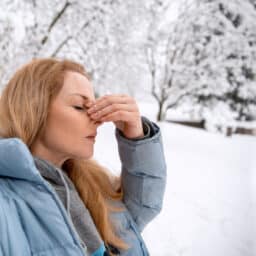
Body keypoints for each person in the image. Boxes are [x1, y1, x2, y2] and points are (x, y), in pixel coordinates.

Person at [0, 58, 167, 256]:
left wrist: (136, 136)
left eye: (95, 106)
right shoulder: (5, 203)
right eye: (80, 106)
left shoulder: (87, 179)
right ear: (33, 108)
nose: (97, 120)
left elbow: (139, 211)